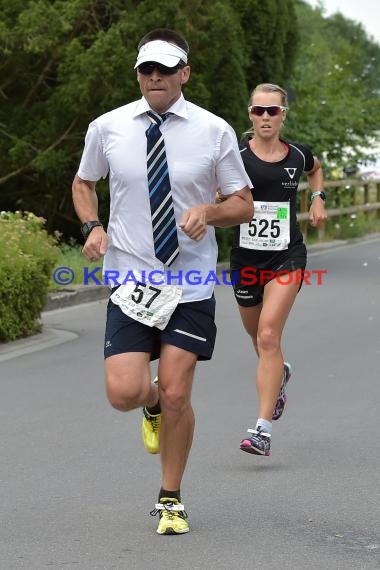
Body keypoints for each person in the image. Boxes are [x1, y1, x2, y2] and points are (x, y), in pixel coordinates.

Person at [72, 28, 253, 535]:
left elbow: (242, 204)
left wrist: (209, 212)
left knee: (177, 392)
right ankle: (147, 406)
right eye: (146, 70)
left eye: (165, 69)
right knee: (125, 392)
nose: (154, 77)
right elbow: (84, 182)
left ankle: (170, 498)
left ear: (184, 74)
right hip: (131, 278)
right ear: (138, 74)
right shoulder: (108, 127)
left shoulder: (213, 131)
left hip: (190, 282)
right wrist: (92, 226)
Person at [225, 83, 327, 457]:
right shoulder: (234, 157)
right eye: (258, 111)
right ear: (249, 114)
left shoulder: (298, 155)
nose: (265, 117)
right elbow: (216, 194)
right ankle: (279, 374)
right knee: (257, 338)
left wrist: (317, 199)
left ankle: (262, 430)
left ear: (284, 114)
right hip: (246, 259)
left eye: (272, 111)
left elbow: (317, 171)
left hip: (287, 256)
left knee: (269, 335)